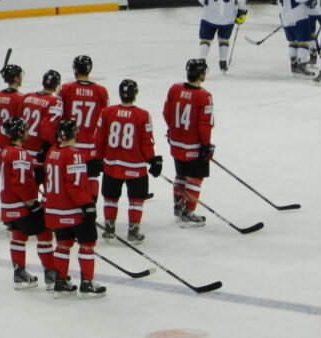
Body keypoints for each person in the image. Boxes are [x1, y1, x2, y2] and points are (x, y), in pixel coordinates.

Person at [93, 79, 161, 244]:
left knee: (110, 197)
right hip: (135, 167)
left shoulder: (107, 112)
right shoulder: (143, 115)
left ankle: (109, 228)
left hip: (112, 165)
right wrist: (153, 160)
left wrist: (97, 158)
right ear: (135, 94)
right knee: (136, 200)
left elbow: (99, 138)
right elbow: (147, 142)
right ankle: (133, 230)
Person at [43, 119, 105, 297]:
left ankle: (61, 282)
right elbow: (75, 185)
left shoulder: (52, 152)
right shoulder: (75, 155)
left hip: (55, 209)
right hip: (73, 209)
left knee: (63, 244)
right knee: (87, 244)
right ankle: (87, 283)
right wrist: (87, 204)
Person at [0, 117, 56, 290]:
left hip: (7, 206)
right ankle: (52, 275)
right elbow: (20, 183)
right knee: (45, 233)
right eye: (25, 129)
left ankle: (20, 273)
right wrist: (31, 203)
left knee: (18, 235)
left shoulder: (5, 151)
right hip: (21, 205)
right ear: (19, 132)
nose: (28, 132)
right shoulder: (20, 153)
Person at [163, 59, 212, 227]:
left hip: (176, 144)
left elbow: (166, 112)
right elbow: (204, 124)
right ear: (201, 74)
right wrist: (206, 145)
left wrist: (172, 131)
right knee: (195, 179)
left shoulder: (175, 89)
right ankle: (188, 211)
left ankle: (178, 205)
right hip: (194, 146)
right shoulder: (204, 96)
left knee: (181, 175)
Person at [59, 55, 109, 199]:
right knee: (92, 176)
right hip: (92, 145)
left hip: (69, 143)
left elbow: (58, 115)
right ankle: (91, 207)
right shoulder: (101, 91)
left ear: (75, 69)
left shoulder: (66, 89)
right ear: (89, 69)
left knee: (71, 177)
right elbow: (104, 120)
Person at [194, 0, 248, 73]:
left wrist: (207, 4)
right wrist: (242, 11)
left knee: (205, 40)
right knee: (224, 39)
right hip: (227, 16)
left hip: (209, 15)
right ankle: (223, 62)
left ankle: (202, 60)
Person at [21, 69, 63, 187]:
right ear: (56, 85)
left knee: (26, 186)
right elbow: (47, 127)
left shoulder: (27, 97)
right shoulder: (55, 102)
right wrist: (46, 148)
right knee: (46, 185)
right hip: (39, 151)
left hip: (23, 149)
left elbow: (19, 119)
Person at [278, 0, 316, 76]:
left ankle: (293, 65)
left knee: (293, 42)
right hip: (298, 15)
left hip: (285, 16)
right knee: (304, 41)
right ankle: (302, 65)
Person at [0, 64, 25, 162]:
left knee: (4, 174)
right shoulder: (20, 98)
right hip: (14, 145)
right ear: (16, 78)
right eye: (20, 75)